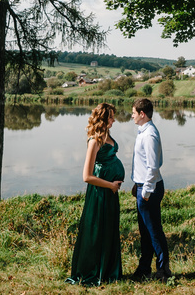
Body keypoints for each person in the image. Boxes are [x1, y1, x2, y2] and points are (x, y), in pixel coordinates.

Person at [66, 102, 124, 285]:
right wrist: (110, 185)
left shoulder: (108, 137)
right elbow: (87, 176)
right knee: (97, 231)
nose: (114, 120)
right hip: (100, 194)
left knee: (109, 230)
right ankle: (92, 271)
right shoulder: (95, 141)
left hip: (110, 193)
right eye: (112, 117)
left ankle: (108, 270)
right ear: (104, 119)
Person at [130, 98, 172, 282]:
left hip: (150, 189)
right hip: (143, 186)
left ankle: (163, 271)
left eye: (133, 112)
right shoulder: (143, 131)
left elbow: (153, 167)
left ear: (142, 113)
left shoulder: (149, 135)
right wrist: (136, 184)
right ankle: (144, 268)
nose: (131, 115)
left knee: (154, 231)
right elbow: (142, 163)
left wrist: (145, 191)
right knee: (145, 232)